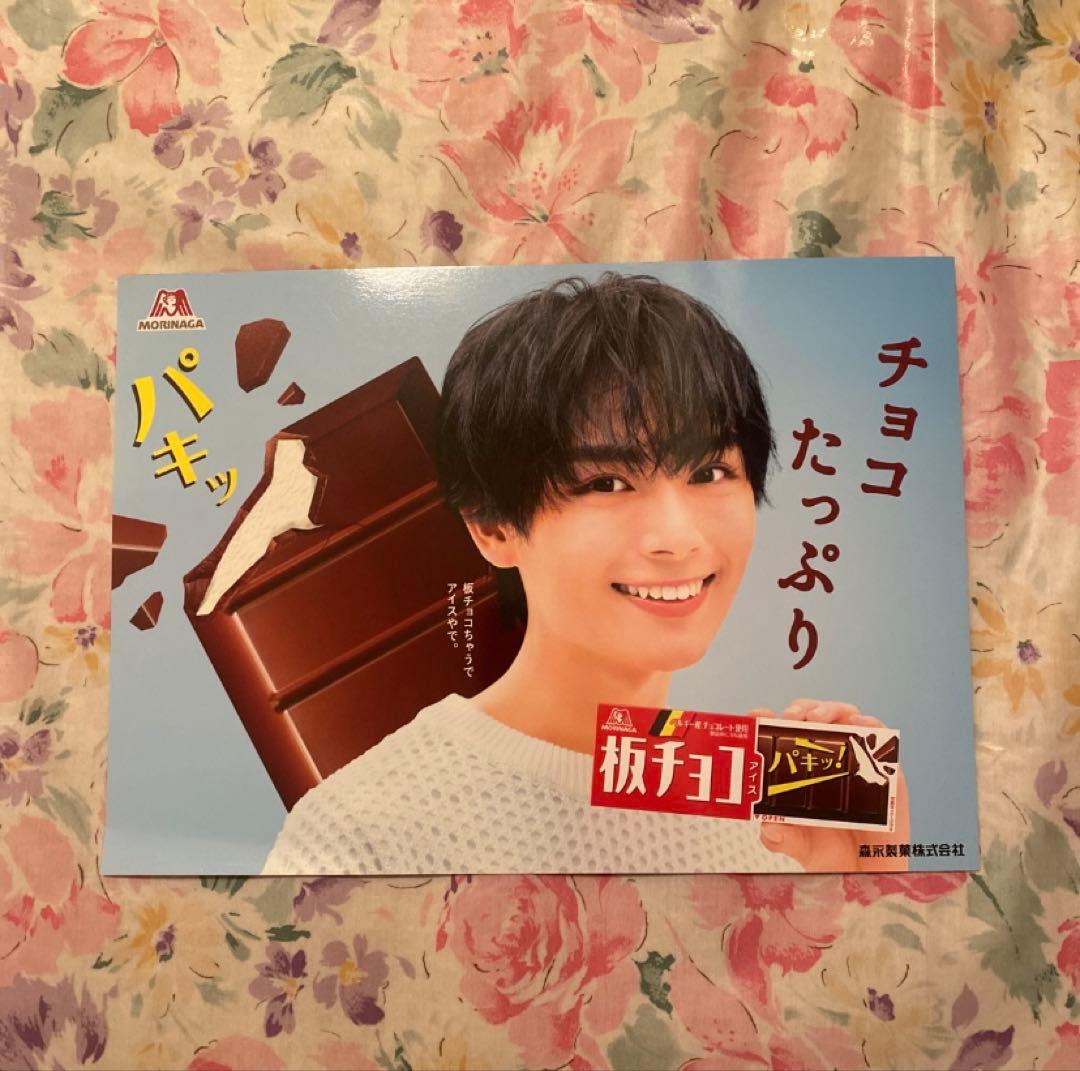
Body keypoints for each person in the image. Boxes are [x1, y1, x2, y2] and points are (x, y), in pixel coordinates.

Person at [262, 273, 908, 875]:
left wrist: (863, 883)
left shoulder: (787, 799)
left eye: (709, 471)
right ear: (493, 528)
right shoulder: (362, 832)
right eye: (606, 482)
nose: (677, 537)